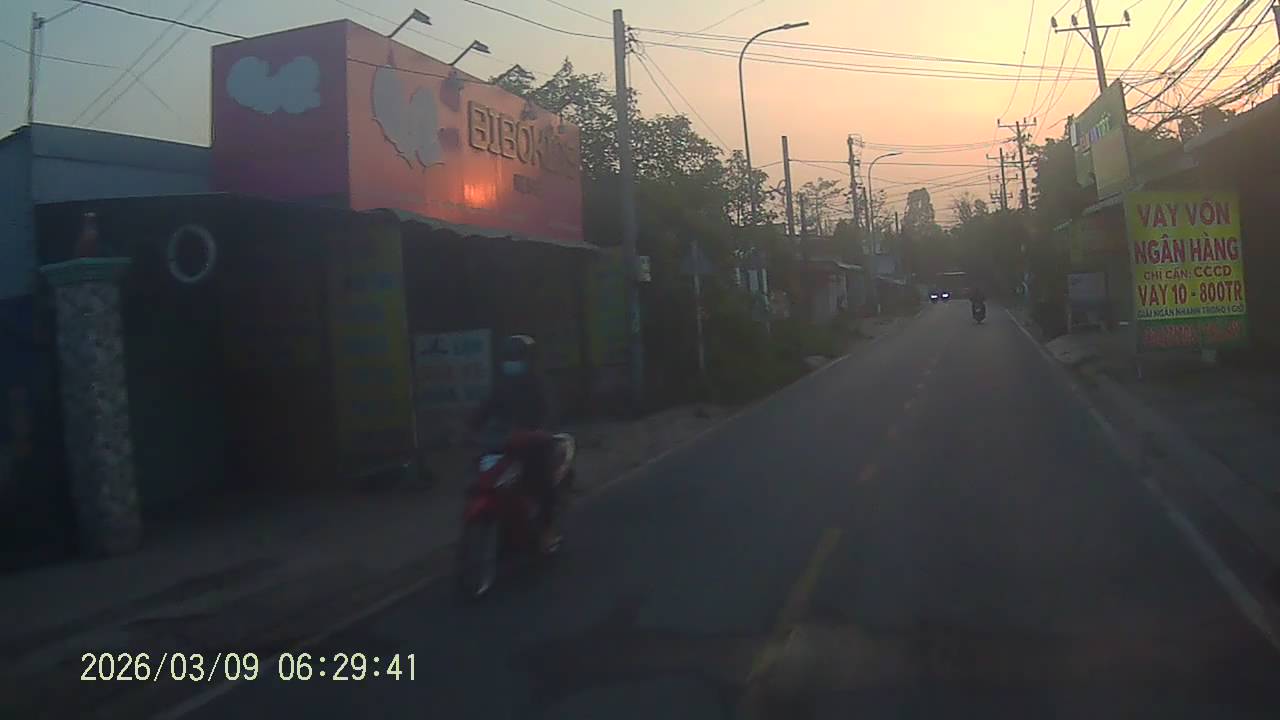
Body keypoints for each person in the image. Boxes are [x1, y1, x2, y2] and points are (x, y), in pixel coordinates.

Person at [470, 334, 560, 550]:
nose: (513, 361)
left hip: (534, 443)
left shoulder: (540, 384)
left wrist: (540, 431)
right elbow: (484, 410)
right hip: (505, 443)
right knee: (479, 476)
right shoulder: (501, 386)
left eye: (517, 357)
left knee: (542, 482)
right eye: (509, 357)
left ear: (529, 359)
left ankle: (547, 530)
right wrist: (467, 428)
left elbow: (551, 411)